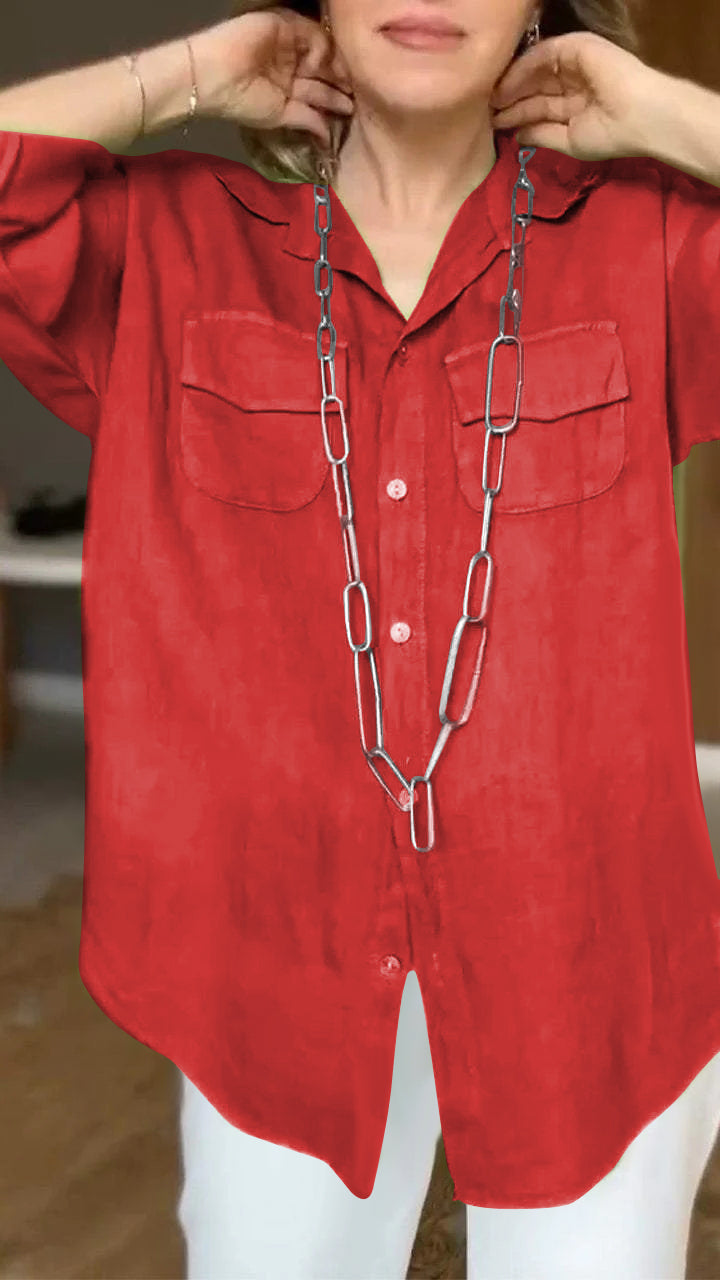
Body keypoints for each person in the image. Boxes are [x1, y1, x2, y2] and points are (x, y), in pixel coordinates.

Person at [2, 2, 720, 1277]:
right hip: (276, 961)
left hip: (590, 965)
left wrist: (660, 111)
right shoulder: (171, 245)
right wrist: (188, 74)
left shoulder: (646, 241)